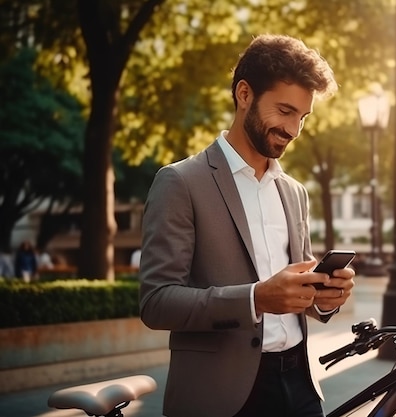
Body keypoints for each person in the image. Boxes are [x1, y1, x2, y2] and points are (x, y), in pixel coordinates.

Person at [139, 34, 353, 417]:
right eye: (285, 111)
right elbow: (157, 303)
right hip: (222, 395)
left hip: (300, 385)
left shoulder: (294, 192)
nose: (294, 130)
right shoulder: (180, 182)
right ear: (244, 94)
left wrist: (324, 297)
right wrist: (256, 299)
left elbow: (296, 287)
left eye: (302, 117)